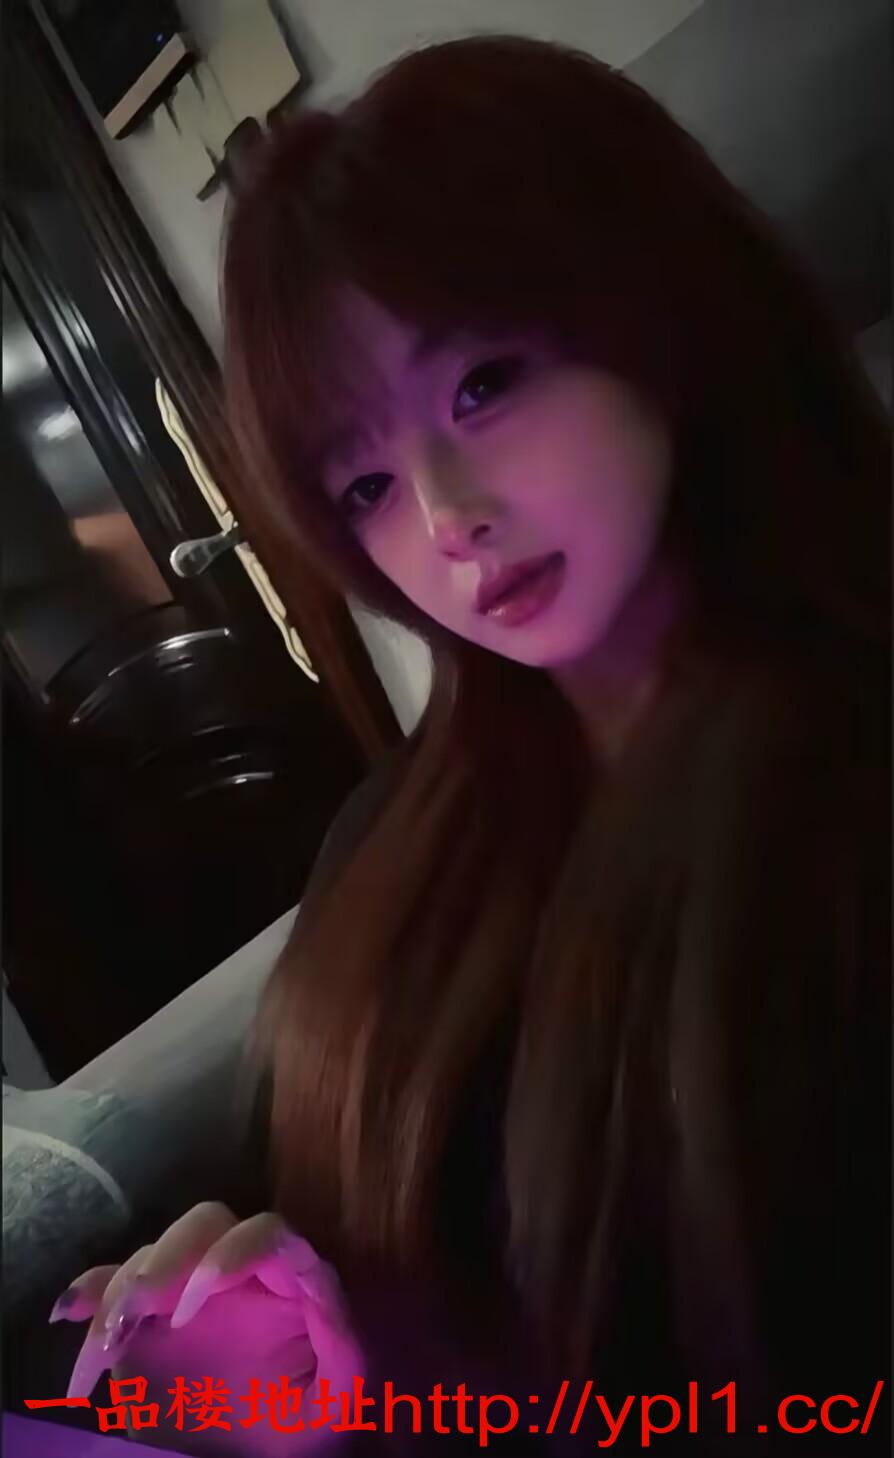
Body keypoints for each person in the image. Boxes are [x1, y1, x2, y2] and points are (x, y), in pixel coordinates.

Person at [52, 34, 889, 1455]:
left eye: (484, 384)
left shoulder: (841, 798)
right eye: (363, 481)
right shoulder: (395, 832)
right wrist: (260, 1340)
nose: (444, 516)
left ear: (661, 309)